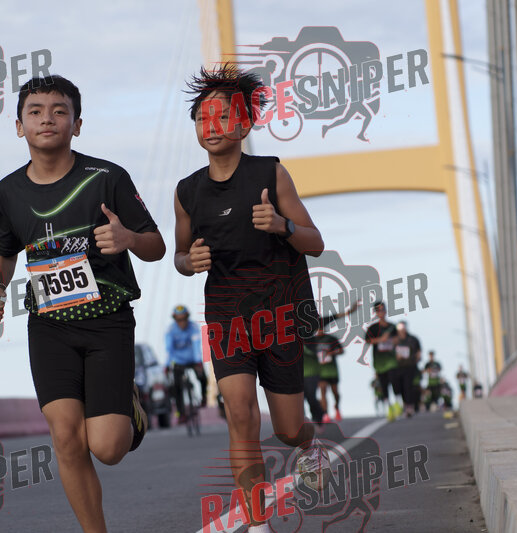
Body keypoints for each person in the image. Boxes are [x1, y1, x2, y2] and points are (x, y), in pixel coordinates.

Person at [0, 75, 165, 533]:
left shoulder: (107, 178)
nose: (47, 119)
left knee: (107, 448)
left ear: (77, 125)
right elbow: (3, 254)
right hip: (49, 325)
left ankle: (128, 404)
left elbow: (157, 245)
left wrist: (127, 238)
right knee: (65, 436)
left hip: (107, 322)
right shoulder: (7, 192)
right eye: (35, 111)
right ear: (19, 126)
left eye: (59, 111)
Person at [173, 64, 326, 533]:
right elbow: (179, 255)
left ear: (244, 125)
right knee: (240, 414)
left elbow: (315, 242)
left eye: (223, 116)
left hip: (279, 312)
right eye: (203, 117)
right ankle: (258, 524)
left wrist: (282, 225)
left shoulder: (271, 174)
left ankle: (309, 444)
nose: (212, 125)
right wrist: (190, 260)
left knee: (287, 429)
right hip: (226, 314)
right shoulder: (186, 192)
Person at [165, 304, 207, 421]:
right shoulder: (170, 330)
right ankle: (181, 413)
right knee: (176, 386)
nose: (182, 322)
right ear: (175, 319)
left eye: (184, 319)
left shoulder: (193, 327)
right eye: (179, 320)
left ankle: (204, 397)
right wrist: (167, 365)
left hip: (193, 359)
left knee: (203, 377)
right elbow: (169, 349)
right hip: (178, 361)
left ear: (187, 317)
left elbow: (196, 345)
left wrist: (198, 362)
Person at [364, 302, 400, 421]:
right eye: (378, 310)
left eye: (383, 309)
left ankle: (398, 402)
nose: (381, 312)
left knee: (394, 379)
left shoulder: (392, 326)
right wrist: (380, 339)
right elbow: (368, 340)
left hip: (391, 359)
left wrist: (391, 340)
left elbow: (397, 340)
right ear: (375, 313)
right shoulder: (373, 328)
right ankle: (388, 406)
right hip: (379, 361)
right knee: (384, 384)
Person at [311, 324, 343, 422]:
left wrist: (331, 353)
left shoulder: (331, 339)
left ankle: (337, 407)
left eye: (321, 328)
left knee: (335, 392)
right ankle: (325, 414)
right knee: (323, 391)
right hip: (320, 371)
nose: (320, 330)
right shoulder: (312, 340)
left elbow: (341, 351)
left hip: (332, 370)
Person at [393, 322, 421, 417]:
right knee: (400, 387)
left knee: (408, 386)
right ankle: (405, 403)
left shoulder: (413, 339)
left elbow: (418, 351)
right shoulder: (395, 340)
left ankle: (409, 406)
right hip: (398, 367)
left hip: (410, 366)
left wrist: (417, 359)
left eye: (403, 328)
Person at [303, 343, 325, 425]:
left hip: (312, 374)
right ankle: (302, 419)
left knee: (311, 397)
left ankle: (318, 418)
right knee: (299, 399)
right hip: (297, 375)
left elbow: (321, 354)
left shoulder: (314, 342)